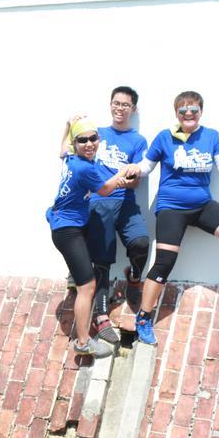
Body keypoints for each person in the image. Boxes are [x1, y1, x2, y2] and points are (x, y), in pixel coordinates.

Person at [134, 90, 219, 345]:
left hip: (202, 206)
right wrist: (132, 169)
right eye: (183, 110)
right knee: (164, 262)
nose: (188, 114)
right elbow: (145, 167)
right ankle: (143, 318)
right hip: (171, 207)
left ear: (201, 112)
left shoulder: (211, 136)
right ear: (176, 113)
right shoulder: (165, 137)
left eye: (193, 110)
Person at [47, 116, 139, 357]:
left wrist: (67, 126)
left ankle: (75, 273)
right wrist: (123, 173)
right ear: (76, 144)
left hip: (67, 223)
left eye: (93, 138)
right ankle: (83, 343)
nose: (89, 144)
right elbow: (105, 190)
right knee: (87, 287)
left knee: (88, 259)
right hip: (67, 230)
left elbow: (62, 149)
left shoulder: (70, 157)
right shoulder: (85, 167)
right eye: (82, 140)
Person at [86, 87, 150, 344]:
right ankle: (101, 315)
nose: (119, 108)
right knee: (102, 259)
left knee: (141, 243)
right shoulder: (97, 134)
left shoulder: (138, 141)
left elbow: (136, 180)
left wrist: (125, 180)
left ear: (133, 109)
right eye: (116, 103)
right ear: (110, 104)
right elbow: (75, 157)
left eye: (125, 104)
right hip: (97, 203)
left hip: (125, 202)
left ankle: (134, 278)